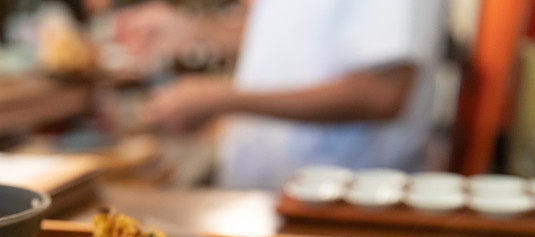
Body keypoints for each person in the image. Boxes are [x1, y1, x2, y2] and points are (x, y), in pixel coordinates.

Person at [117, 0, 446, 188]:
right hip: (272, 193)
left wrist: (221, 100)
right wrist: (195, 30)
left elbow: (382, 94)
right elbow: (286, 39)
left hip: (341, 204)